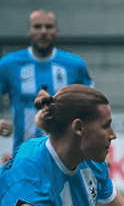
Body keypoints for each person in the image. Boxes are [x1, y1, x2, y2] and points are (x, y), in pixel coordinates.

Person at [0, 10, 94, 151]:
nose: (43, 32)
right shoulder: (9, 64)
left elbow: (92, 108)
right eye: (37, 26)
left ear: (56, 30)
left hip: (66, 154)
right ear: (29, 31)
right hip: (24, 153)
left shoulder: (75, 65)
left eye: (49, 27)